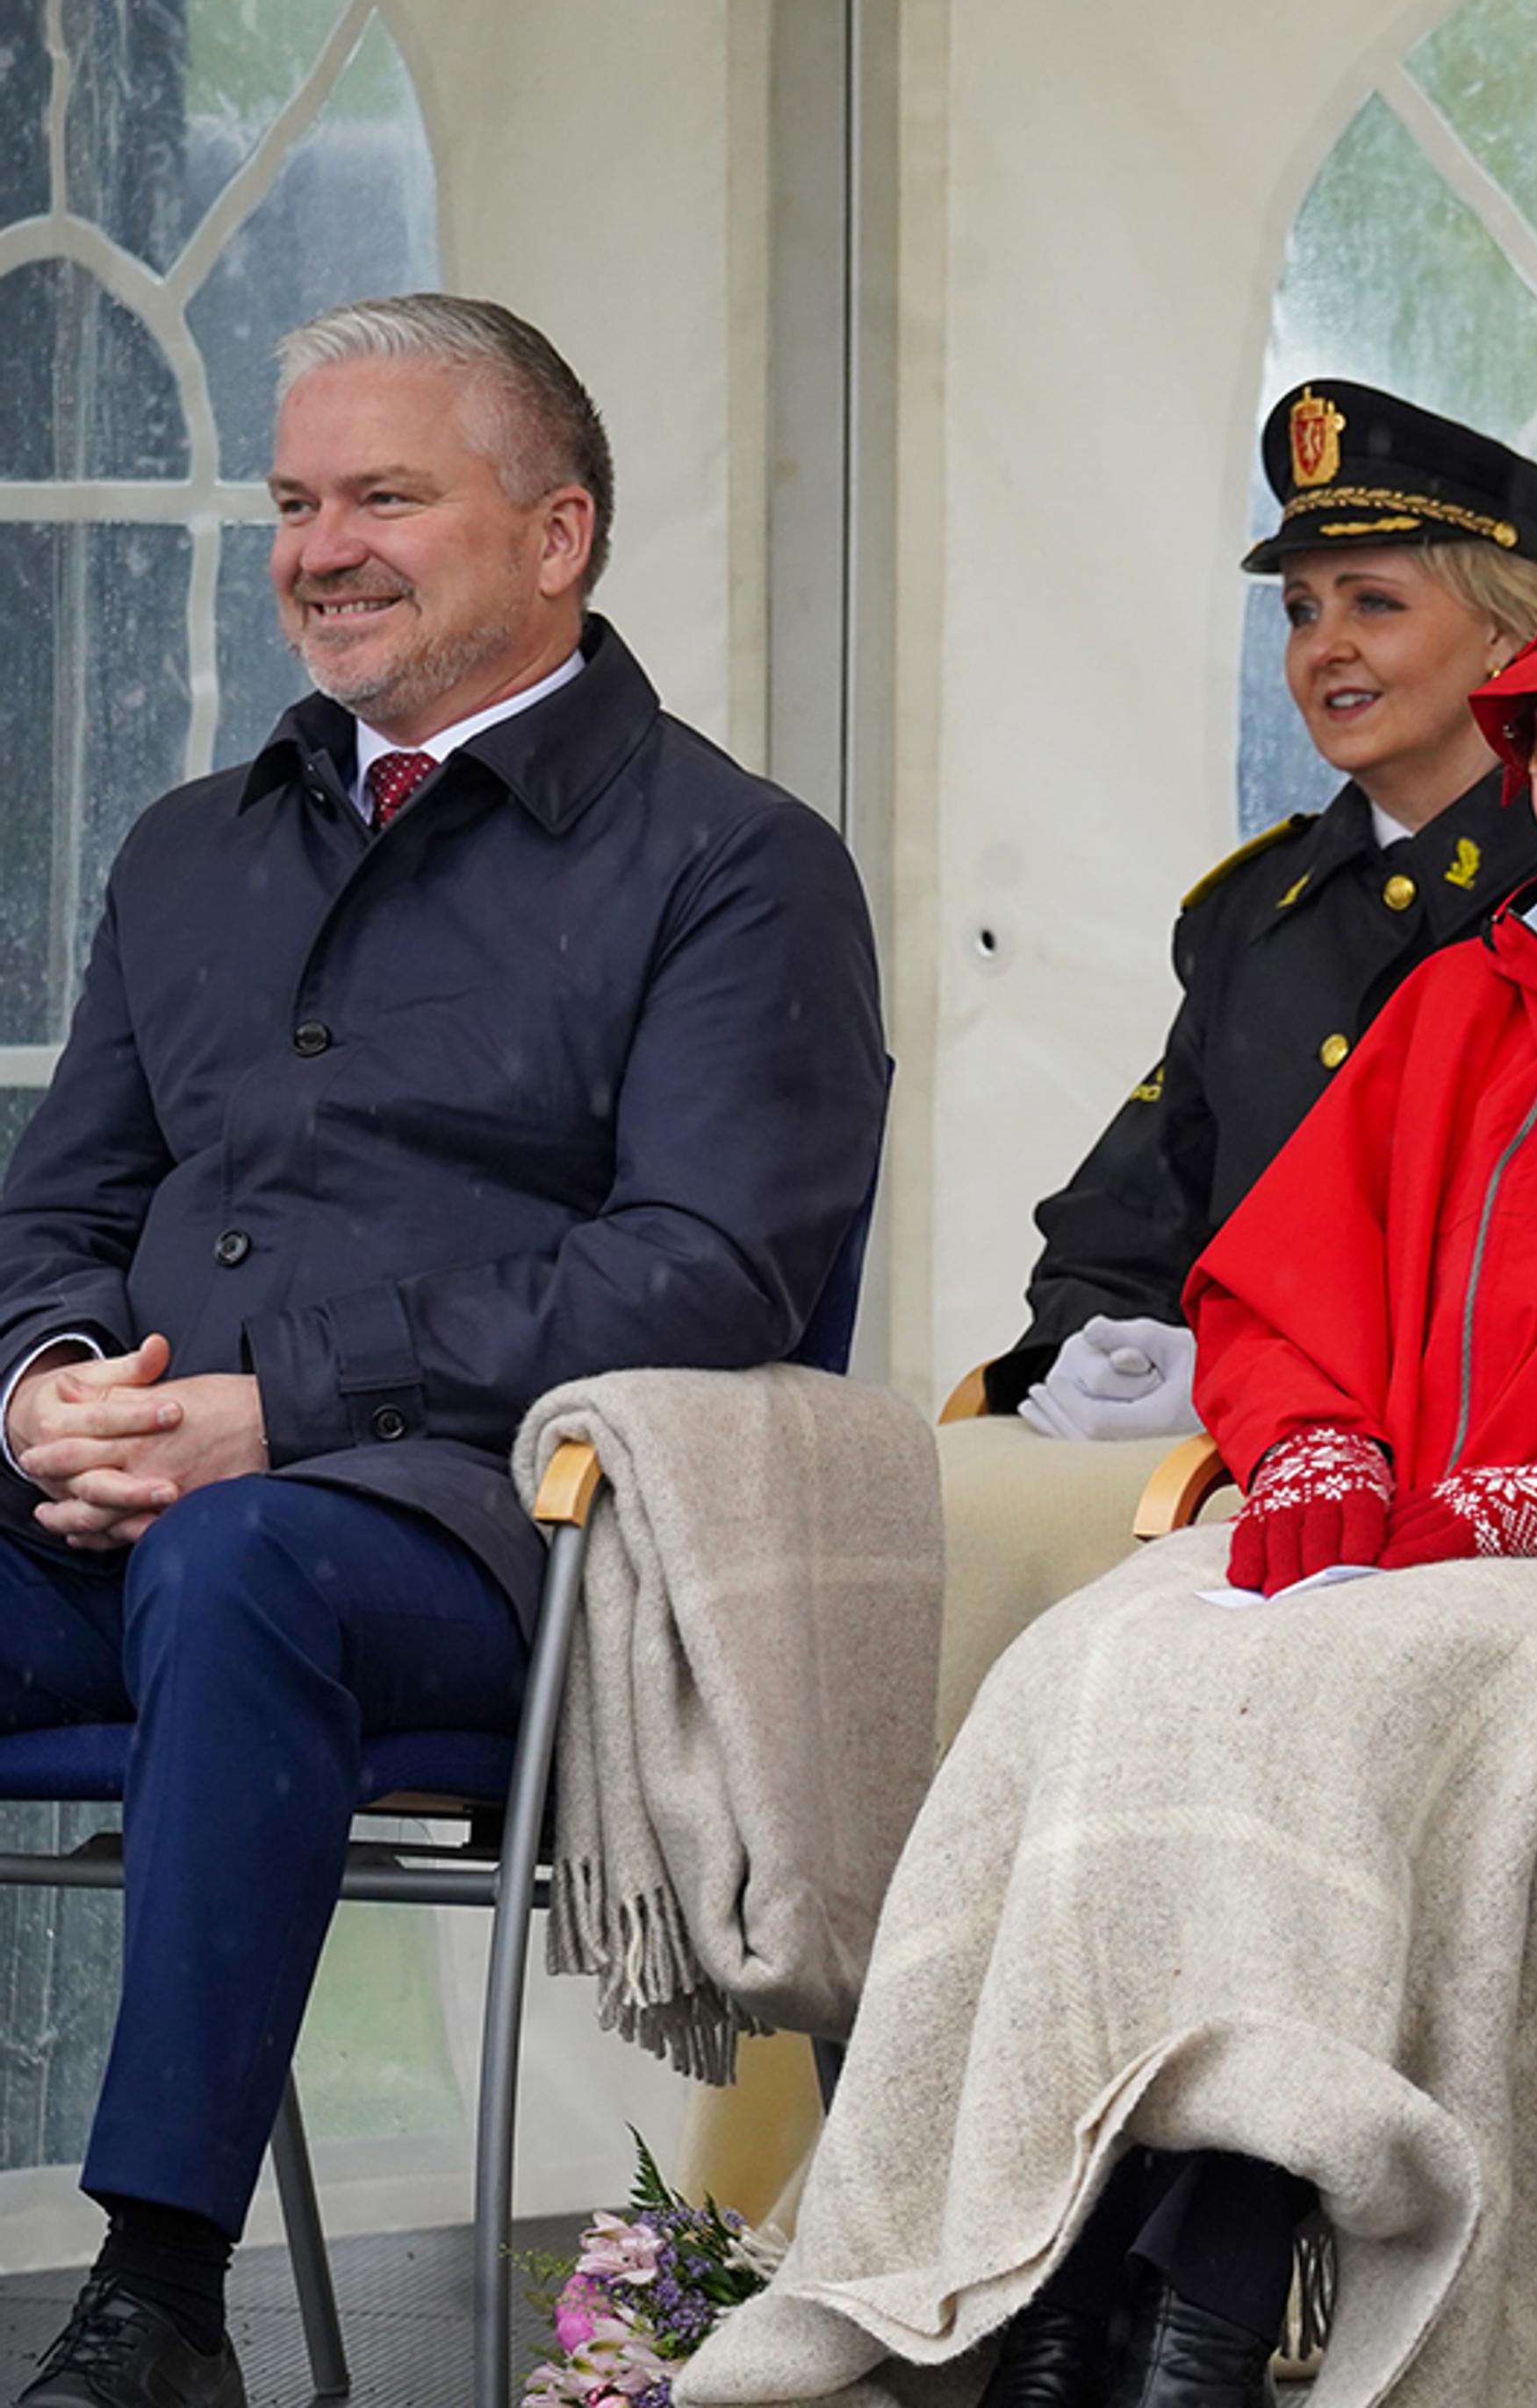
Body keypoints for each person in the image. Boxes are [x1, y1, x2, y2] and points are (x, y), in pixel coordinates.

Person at [692, 513, 1537, 2408]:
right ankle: (1034, 2259)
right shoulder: (1463, 1001)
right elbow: (1275, 1286)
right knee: (1089, 1664)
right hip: (1408, 1543)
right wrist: (1317, 1442)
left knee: (1340, 1693)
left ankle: (1198, 2296)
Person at [0, 295, 887, 2408]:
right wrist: (48, 1380)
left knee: (244, 1568)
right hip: (135, 1507)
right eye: (295, 502)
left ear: (555, 533)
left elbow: (710, 1272)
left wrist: (279, 1409)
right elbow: (55, 1208)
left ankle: (156, 2297)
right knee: (200, 1553)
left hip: (498, 1543)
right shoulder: (189, 846)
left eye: (384, 497)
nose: (321, 549)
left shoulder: (735, 862)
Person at [974, 380, 1537, 1436]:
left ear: (1506, 632)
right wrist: (1103, 1356)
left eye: (1374, 604)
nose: (1324, 647)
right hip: (1222, 1450)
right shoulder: (1256, 913)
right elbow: (1119, 1228)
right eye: (1302, 611)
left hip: (1462, 1452)